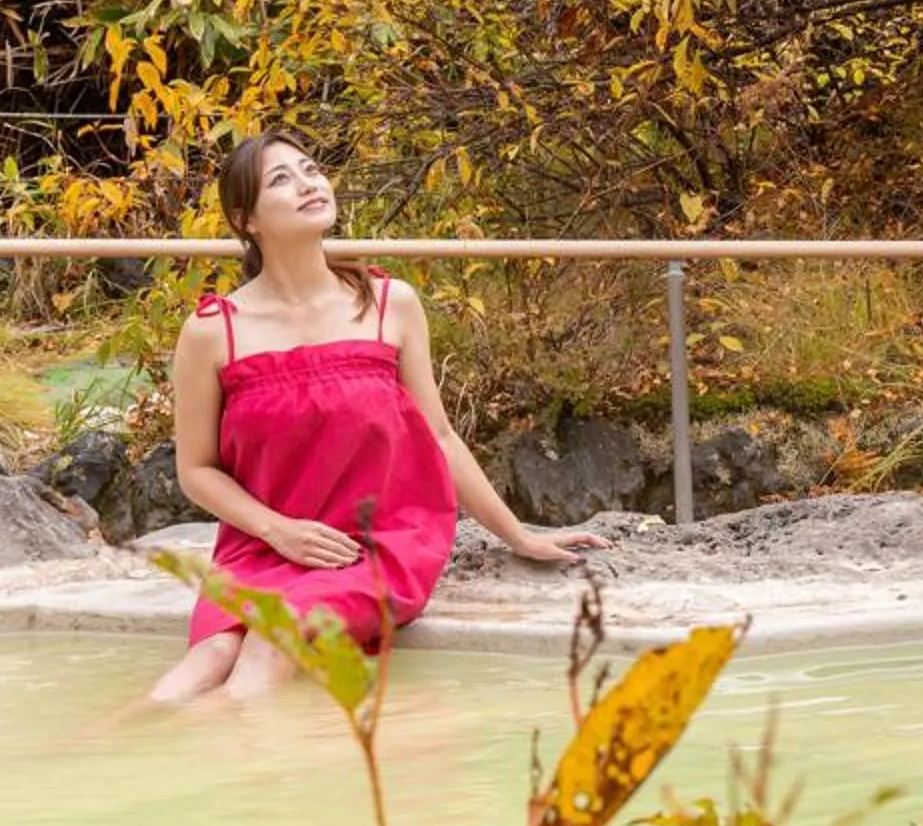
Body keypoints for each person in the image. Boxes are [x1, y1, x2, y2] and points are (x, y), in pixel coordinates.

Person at [148, 132, 605, 702]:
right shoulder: (213, 331)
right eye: (282, 179)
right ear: (247, 219)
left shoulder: (391, 304)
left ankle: (179, 778)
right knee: (209, 656)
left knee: (271, 642)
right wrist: (277, 530)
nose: (310, 182)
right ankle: (94, 760)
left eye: (311, 168)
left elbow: (438, 435)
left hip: (374, 543)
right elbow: (197, 470)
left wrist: (519, 535)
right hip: (263, 543)